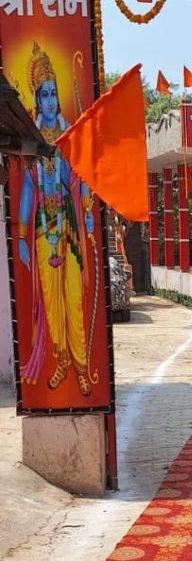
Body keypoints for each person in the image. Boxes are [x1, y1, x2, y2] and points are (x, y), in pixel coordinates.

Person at [17, 42, 95, 396]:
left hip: (69, 229)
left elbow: (82, 178)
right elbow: (27, 190)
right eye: (43, 94)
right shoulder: (30, 141)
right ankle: (61, 359)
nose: (49, 101)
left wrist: (88, 216)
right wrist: (21, 237)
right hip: (42, 231)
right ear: (36, 98)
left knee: (74, 299)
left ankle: (81, 365)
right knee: (52, 303)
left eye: (53, 93)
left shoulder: (69, 137)